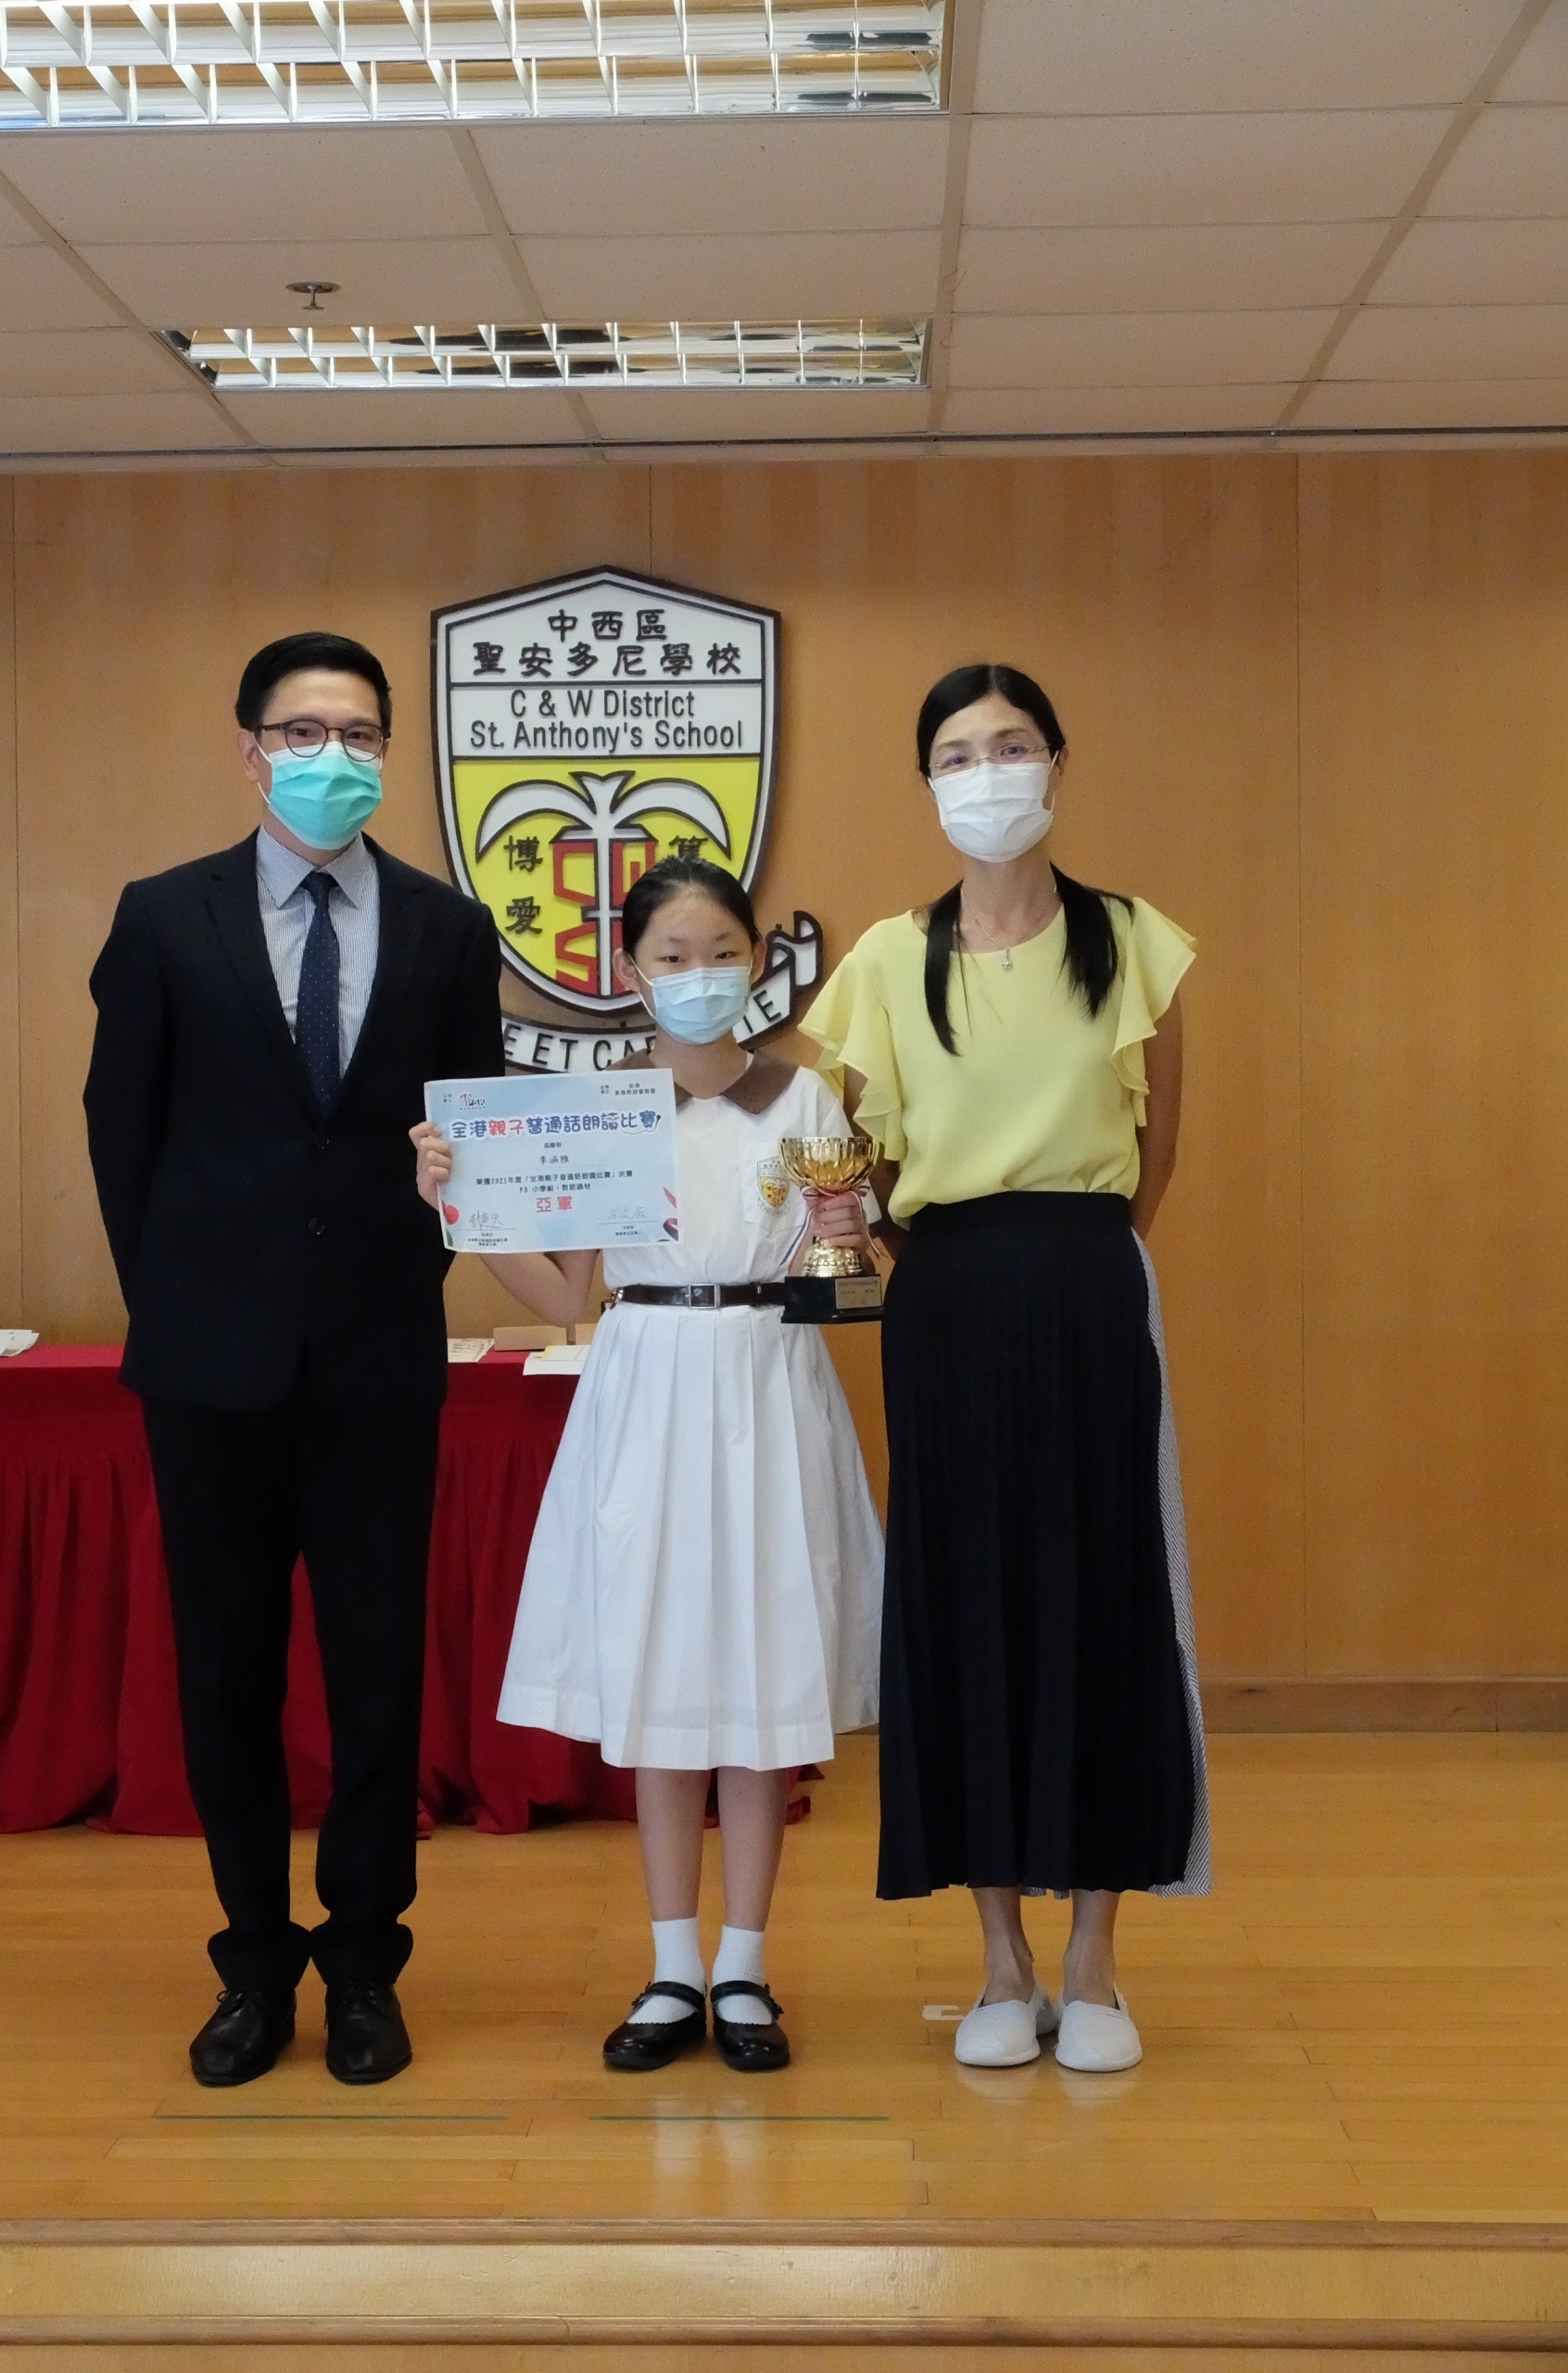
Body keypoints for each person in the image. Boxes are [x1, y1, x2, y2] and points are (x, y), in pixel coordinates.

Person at [84, 629, 503, 2089]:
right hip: (209, 1368)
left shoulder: (449, 930)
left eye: (360, 733)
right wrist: (184, 1305)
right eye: (303, 731)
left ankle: (367, 1963)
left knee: (379, 1673)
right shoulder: (162, 917)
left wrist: (399, 1281)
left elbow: (469, 1143)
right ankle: (253, 1964)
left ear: (389, 752)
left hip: (380, 1360)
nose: (334, 756)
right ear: (249, 749)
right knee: (228, 1676)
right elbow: (121, 1137)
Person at [411, 855, 884, 2074]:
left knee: (761, 1686)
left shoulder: (808, 1100)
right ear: (632, 972)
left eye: (721, 953)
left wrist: (843, 1243)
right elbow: (563, 1293)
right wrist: (463, 1207)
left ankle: (745, 1968)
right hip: (647, 1387)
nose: (697, 976)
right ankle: (674, 1966)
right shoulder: (605, 1111)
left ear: (757, 962)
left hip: (769, 1381)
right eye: (672, 957)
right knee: (666, 1682)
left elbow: (848, 1293)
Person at [803, 663, 1208, 2076]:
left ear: (1057, 762)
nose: (988, 773)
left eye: (1012, 744)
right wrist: (934, 1254)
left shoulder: (1132, 940)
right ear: (928, 783)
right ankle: (997, 1959)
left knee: (1105, 1595)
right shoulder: (883, 960)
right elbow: (855, 1169)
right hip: (948, 1299)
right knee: (963, 1596)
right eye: (959, 753)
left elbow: (1156, 1156)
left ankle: (1094, 1957)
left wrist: (1070, 1259)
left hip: (1089, 1282)